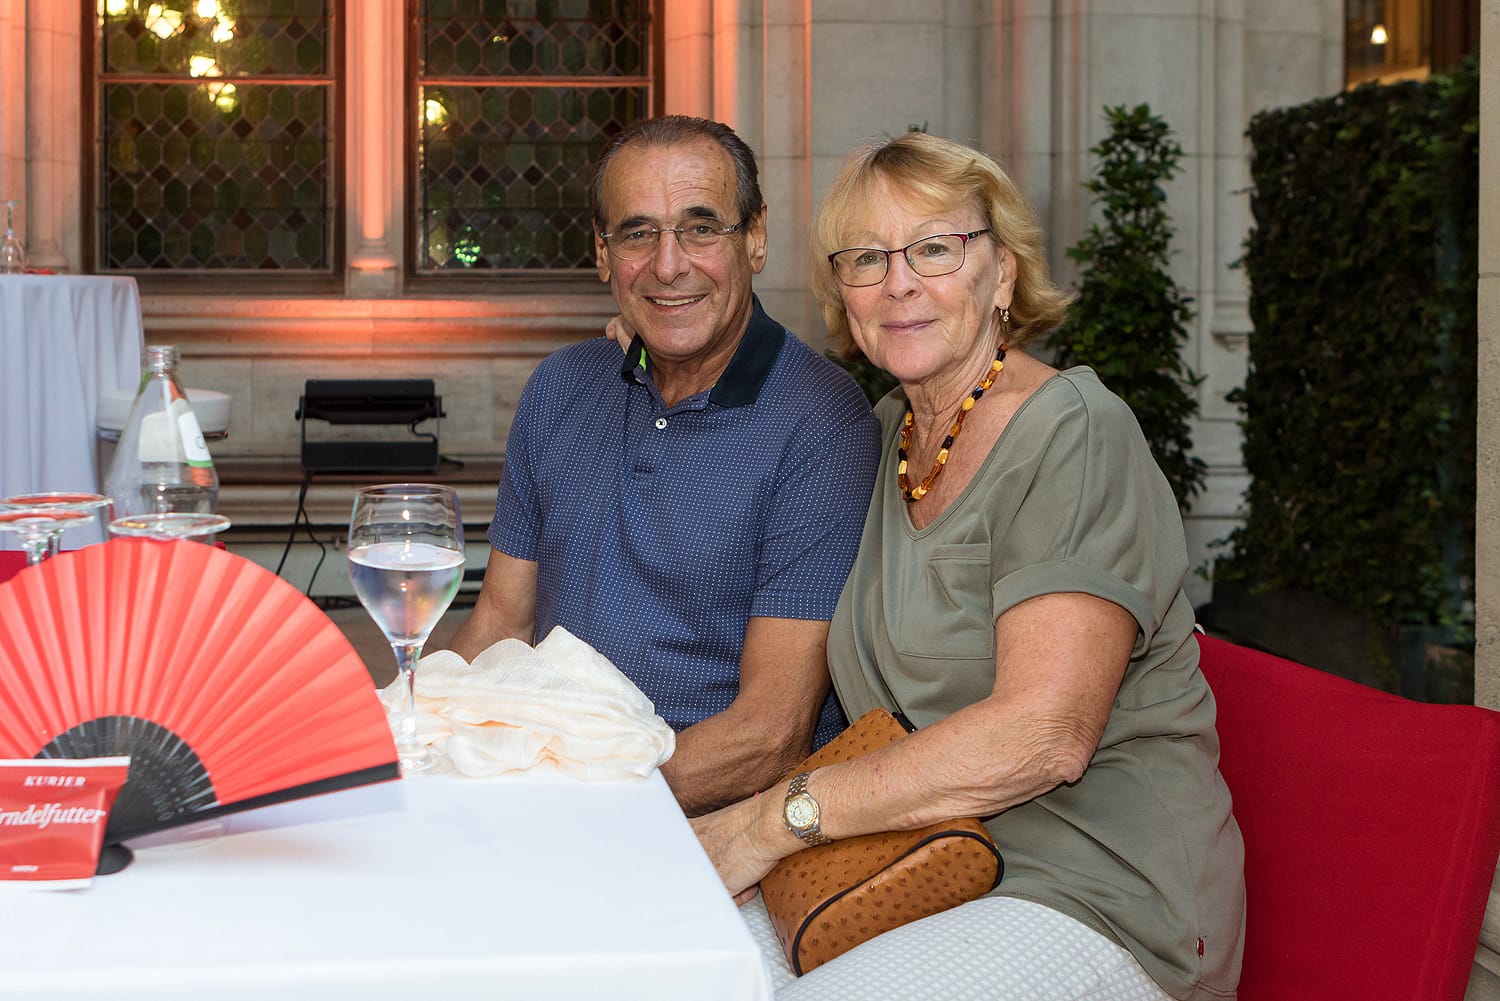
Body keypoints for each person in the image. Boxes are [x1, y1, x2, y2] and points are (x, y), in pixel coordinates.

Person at [691, 131, 1245, 1000]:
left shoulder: (1074, 432)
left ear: (1005, 273)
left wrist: (773, 821)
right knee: (658, 958)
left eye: (936, 248)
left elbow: (1042, 734)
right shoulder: (882, 434)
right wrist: (655, 344)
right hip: (902, 865)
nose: (899, 282)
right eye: (866, 258)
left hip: (1093, 891)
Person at [450, 116, 882, 817]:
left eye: (701, 228)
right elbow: (499, 622)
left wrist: (575, 806)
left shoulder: (821, 421)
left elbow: (769, 735)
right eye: (638, 233)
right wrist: (415, 737)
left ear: (756, 237)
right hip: (539, 788)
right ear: (602, 253)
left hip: (699, 826)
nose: (669, 264)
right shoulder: (561, 387)